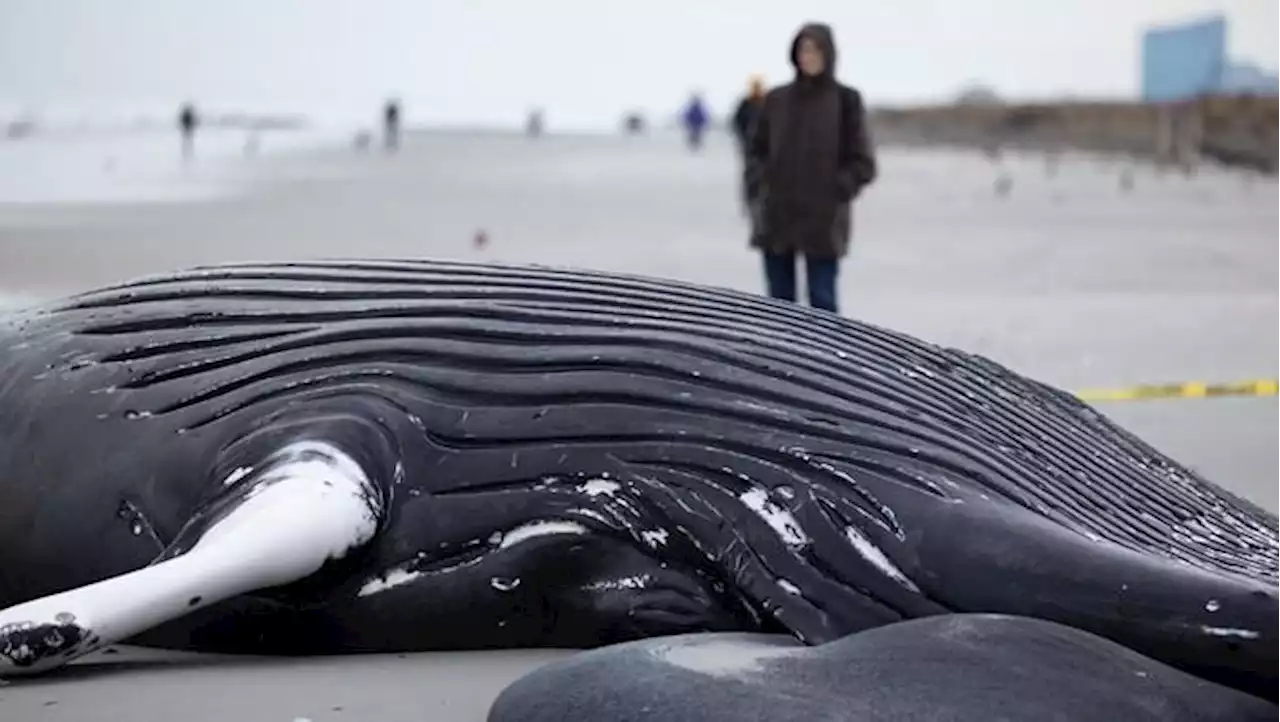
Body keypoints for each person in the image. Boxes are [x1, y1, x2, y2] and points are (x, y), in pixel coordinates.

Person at [744, 22, 877, 315]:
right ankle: (777, 360)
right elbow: (755, 150)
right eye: (803, 49)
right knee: (778, 307)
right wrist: (761, 184)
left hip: (823, 219)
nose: (808, 56)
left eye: (815, 50)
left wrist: (838, 189)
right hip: (777, 215)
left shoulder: (846, 100)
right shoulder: (776, 99)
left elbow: (864, 163)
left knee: (823, 304)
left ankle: (829, 359)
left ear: (828, 54)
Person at [731, 75, 767, 211]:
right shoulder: (745, 104)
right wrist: (744, 138)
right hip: (749, 147)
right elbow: (736, 122)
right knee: (750, 175)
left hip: (766, 147)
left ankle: (762, 200)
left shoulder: (767, 103)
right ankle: (750, 200)